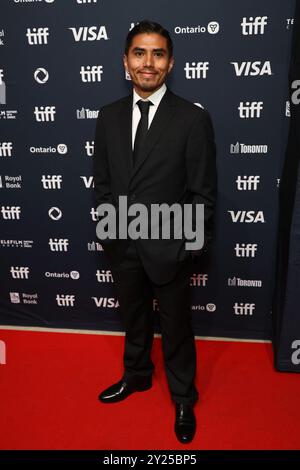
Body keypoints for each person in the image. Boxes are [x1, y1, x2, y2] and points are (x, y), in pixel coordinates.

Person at [93, 20, 217, 444]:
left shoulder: (192, 119)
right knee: (134, 319)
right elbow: (103, 183)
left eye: (158, 54)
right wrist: (110, 233)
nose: (148, 63)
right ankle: (137, 375)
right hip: (122, 243)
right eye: (139, 53)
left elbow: (203, 194)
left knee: (178, 326)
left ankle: (183, 395)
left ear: (171, 62)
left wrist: (187, 248)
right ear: (125, 61)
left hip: (171, 247)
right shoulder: (108, 117)